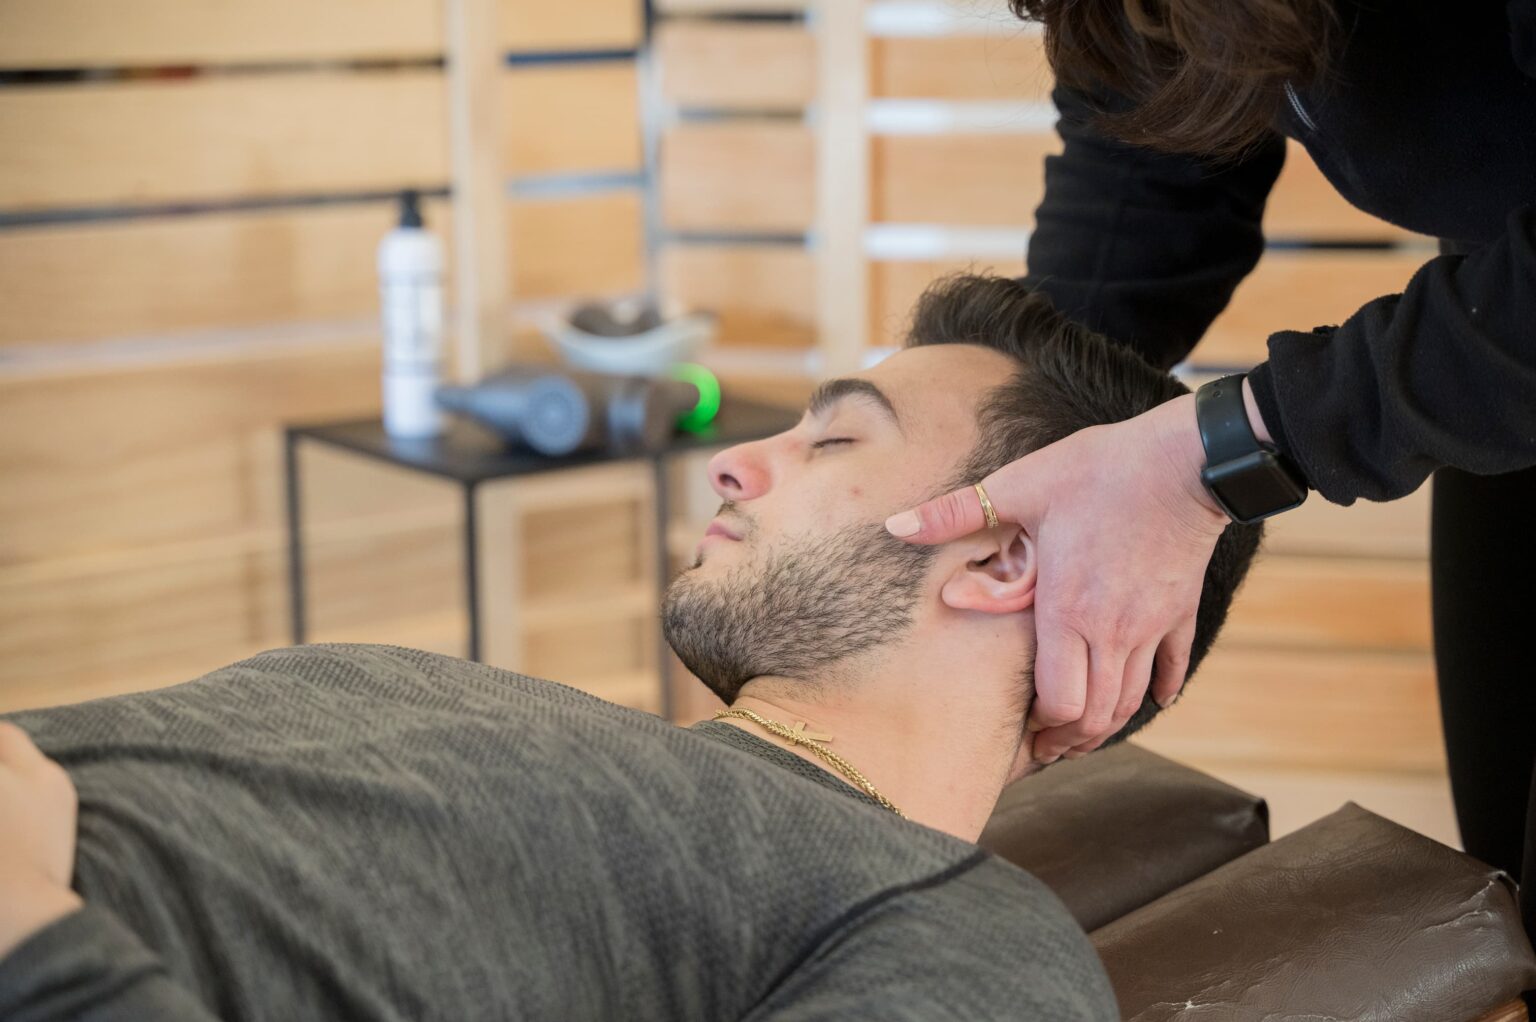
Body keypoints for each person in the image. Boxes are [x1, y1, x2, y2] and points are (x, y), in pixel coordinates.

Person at [0, 275, 1258, 1021]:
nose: (733, 454)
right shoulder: (523, 721)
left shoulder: (955, 934)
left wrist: (35, 944)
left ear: (1002, 559)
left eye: (832, 441)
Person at [884, 0, 1536, 943]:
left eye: (833, 442)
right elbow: (1152, 152)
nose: (737, 472)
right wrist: (1020, 434)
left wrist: (1223, 454)